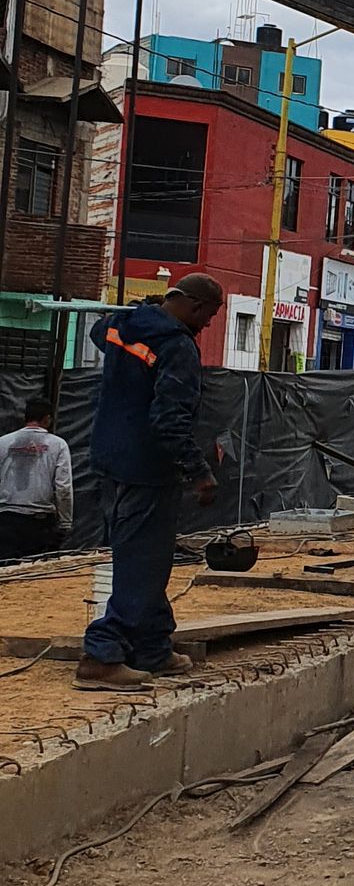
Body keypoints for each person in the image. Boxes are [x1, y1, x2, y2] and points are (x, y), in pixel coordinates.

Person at [76, 273, 224, 689]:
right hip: (146, 469)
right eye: (209, 315)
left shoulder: (125, 325)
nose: (208, 324)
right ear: (194, 306)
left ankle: (153, 649)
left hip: (109, 459)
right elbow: (169, 420)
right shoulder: (177, 347)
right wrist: (198, 472)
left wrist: (148, 309)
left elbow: (96, 329)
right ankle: (101, 655)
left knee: (147, 558)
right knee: (141, 562)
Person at [0, 395, 74, 559]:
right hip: (40, 524)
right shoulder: (58, 445)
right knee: (36, 576)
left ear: (25, 417)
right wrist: (65, 522)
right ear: (47, 419)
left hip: (6, 521)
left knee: (5, 575)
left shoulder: (3, 443)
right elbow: (63, 487)